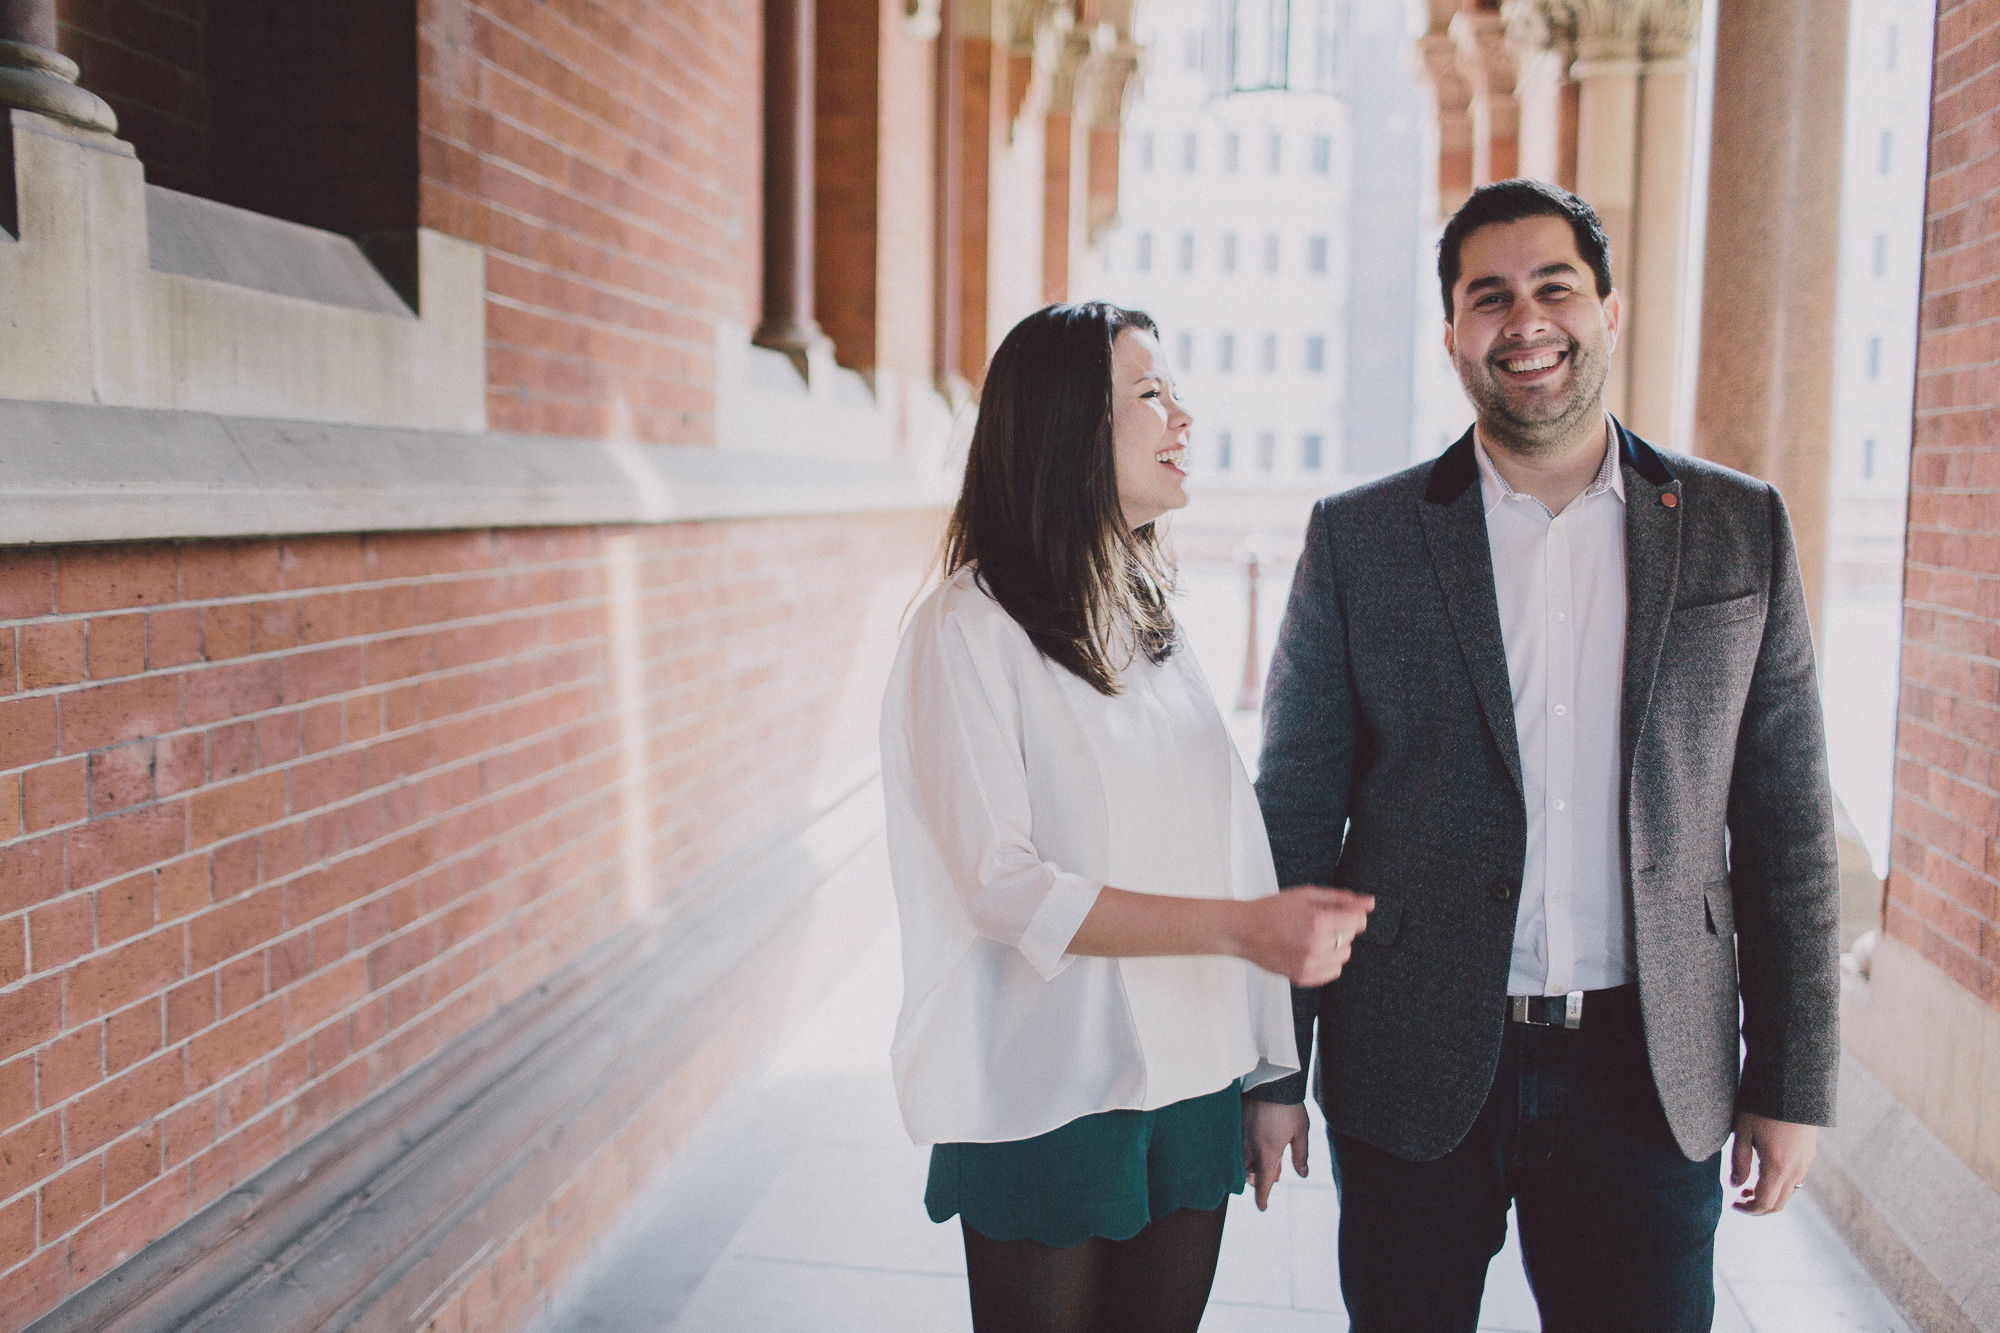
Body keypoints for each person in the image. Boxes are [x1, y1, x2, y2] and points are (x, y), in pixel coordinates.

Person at [1243, 179, 1841, 1332]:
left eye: (1552, 287)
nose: (1524, 322)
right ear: (1453, 336)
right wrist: (1271, 1069)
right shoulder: (1359, 538)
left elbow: (1787, 829)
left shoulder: (1736, 526)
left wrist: (1791, 1081)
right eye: (1489, 298)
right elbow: (1293, 819)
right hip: (1410, 1062)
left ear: (1607, 310)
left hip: (1647, 1070)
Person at [882, 301, 1374, 1333]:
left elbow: (1230, 846)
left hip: (1191, 1082)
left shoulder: (1153, 620)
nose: (1181, 418)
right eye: (1149, 393)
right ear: (1066, 428)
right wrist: (1242, 931)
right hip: (1045, 1086)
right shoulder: (965, 631)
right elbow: (1002, 885)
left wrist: (1270, 1071)